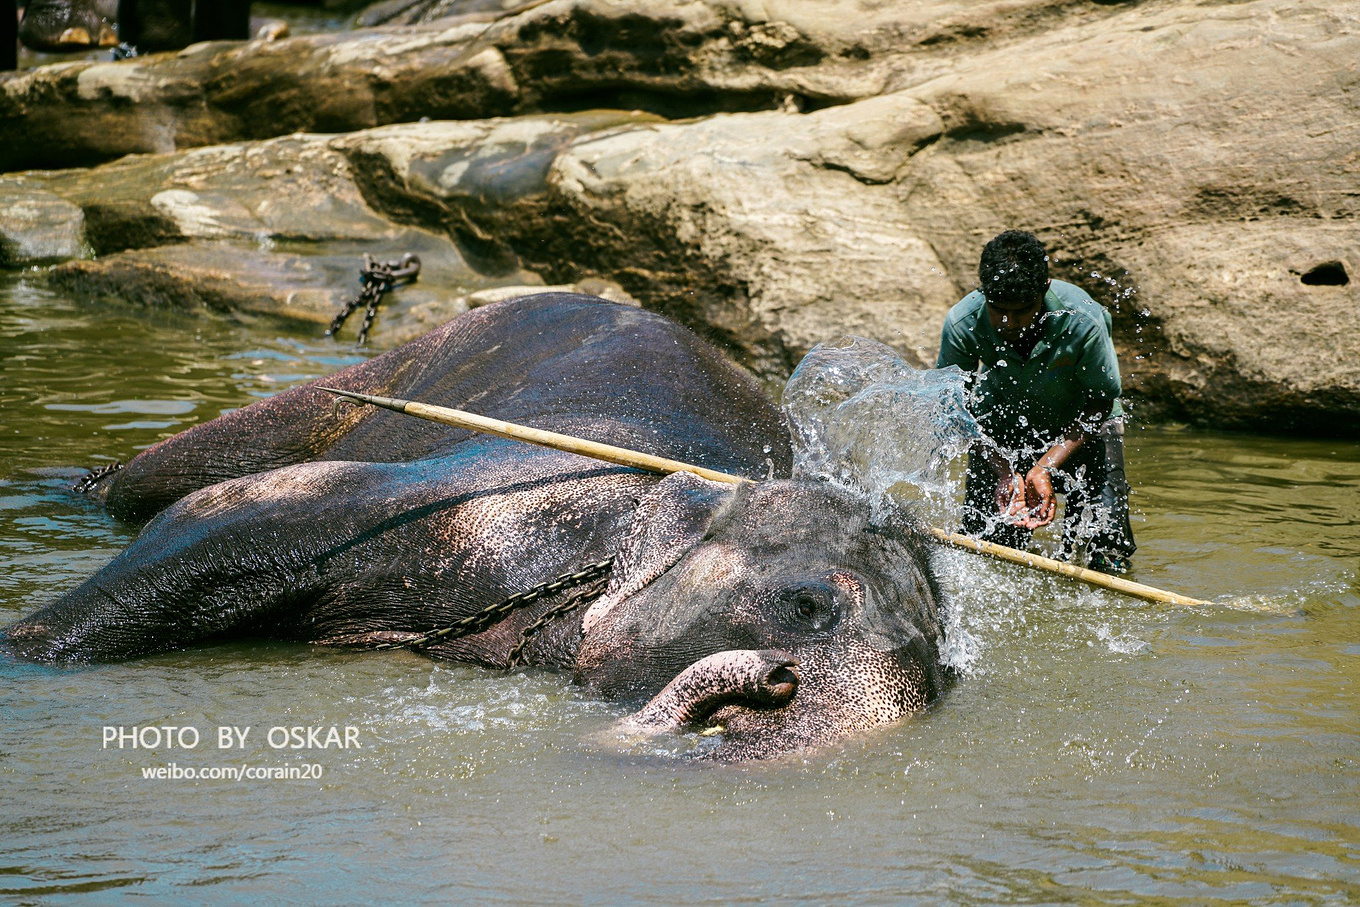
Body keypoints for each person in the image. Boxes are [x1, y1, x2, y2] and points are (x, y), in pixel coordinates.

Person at [936, 230, 1136, 573]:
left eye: (1021, 312)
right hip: (1001, 430)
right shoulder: (962, 323)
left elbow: (1101, 401)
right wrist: (1003, 470)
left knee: (1108, 555)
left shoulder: (1082, 319)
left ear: (1043, 289)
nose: (1007, 323)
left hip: (1084, 428)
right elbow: (952, 406)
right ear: (984, 293)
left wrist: (1044, 466)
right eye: (997, 310)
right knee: (988, 551)